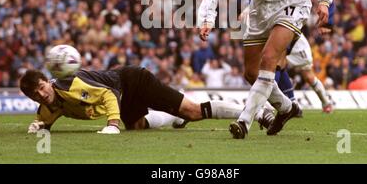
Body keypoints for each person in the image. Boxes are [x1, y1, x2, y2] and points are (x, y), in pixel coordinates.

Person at [198, 0, 333, 139]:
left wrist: (324, 0)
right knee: (251, 73)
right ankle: (287, 108)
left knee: (269, 59)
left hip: (290, 4)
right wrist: (207, 19)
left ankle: (244, 121)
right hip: (260, 9)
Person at [20, 65, 273, 134]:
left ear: (48, 81)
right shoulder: (47, 106)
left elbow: (109, 94)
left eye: (42, 87)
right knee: (138, 126)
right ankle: (175, 119)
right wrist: (38, 126)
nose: (42, 94)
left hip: (133, 81)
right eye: (36, 94)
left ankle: (255, 112)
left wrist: (111, 124)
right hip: (122, 90)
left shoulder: (71, 85)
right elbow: (44, 120)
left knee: (193, 112)